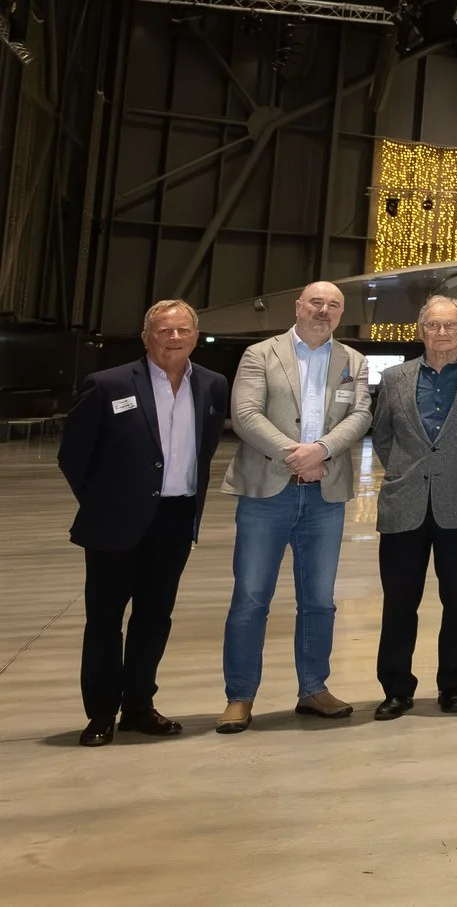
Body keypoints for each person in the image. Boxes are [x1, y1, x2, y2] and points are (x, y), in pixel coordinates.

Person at [59, 299, 228, 746]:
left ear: (196, 335)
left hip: (174, 517)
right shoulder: (108, 384)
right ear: (146, 336)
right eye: (163, 330)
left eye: (183, 330)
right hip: (115, 520)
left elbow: (205, 448)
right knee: (105, 619)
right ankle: (100, 713)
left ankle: (138, 705)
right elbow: (73, 455)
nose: (174, 338)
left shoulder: (212, 386)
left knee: (155, 617)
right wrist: (105, 503)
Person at [220, 280, 369, 732]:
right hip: (267, 491)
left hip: (325, 494)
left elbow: (360, 415)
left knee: (320, 601)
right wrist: (296, 454)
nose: (324, 310)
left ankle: (314, 688)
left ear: (341, 314)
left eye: (334, 305)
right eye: (317, 302)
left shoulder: (353, 362)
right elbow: (246, 415)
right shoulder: (260, 355)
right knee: (250, 599)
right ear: (299, 306)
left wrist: (320, 450)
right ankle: (240, 696)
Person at [372, 297, 457, 720]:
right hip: (404, 503)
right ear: (420, 329)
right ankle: (396, 688)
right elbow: (383, 437)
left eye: (450, 325)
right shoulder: (394, 378)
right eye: (433, 325)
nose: (442, 333)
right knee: (398, 603)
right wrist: (405, 472)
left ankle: (452, 686)